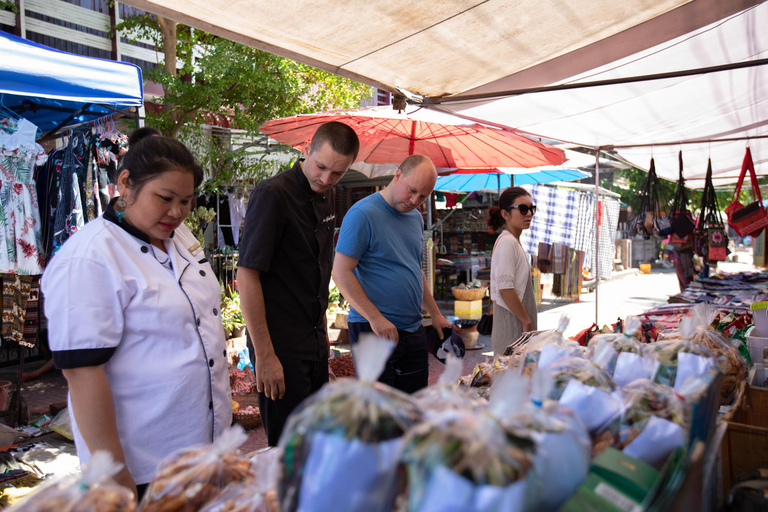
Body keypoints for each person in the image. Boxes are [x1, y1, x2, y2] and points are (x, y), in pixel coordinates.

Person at [41, 136, 232, 500]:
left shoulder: (177, 236)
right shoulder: (91, 258)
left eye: (186, 202)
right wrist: (113, 476)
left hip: (203, 449)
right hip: (144, 463)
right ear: (126, 184)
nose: (176, 212)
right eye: (165, 199)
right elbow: (82, 373)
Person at [237, 121, 359, 446]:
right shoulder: (272, 194)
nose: (326, 179)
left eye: (337, 174)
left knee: (317, 446)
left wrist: (323, 348)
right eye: (321, 167)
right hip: (280, 349)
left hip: (314, 345)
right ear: (306, 149)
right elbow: (246, 276)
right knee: (288, 453)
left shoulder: (326, 195)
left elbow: (314, 275)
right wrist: (263, 356)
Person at [333, 154, 451, 394]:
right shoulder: (362, 214)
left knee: (413, 405)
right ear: (397, 175)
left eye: (423, 196)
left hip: (413, 327)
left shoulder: (416, 218)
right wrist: (376, 318)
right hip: (372, 328)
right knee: (381, 414)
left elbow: (414, 269)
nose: (415, 200)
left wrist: (435, 313)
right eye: (412, 190)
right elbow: (340, 272)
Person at [487, 187, 538, 357]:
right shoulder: (507, 242)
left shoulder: (512, 241)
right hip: (512, 327)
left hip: (516, 325)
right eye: (523, 209)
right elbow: (505, 287)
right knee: (508, 378)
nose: (529, 214)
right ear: (505, 214)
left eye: (532, 208)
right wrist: (526, 322)